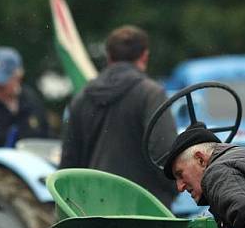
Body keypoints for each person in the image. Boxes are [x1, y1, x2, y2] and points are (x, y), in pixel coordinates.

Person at [60, 25, 177, 208]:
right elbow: (164, 152)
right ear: (145, 56)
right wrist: (173, 187)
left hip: (93, 209)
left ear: (108, 57)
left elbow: (69, 162)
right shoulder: (150, 94)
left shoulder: (81, 98)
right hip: (145, 209)